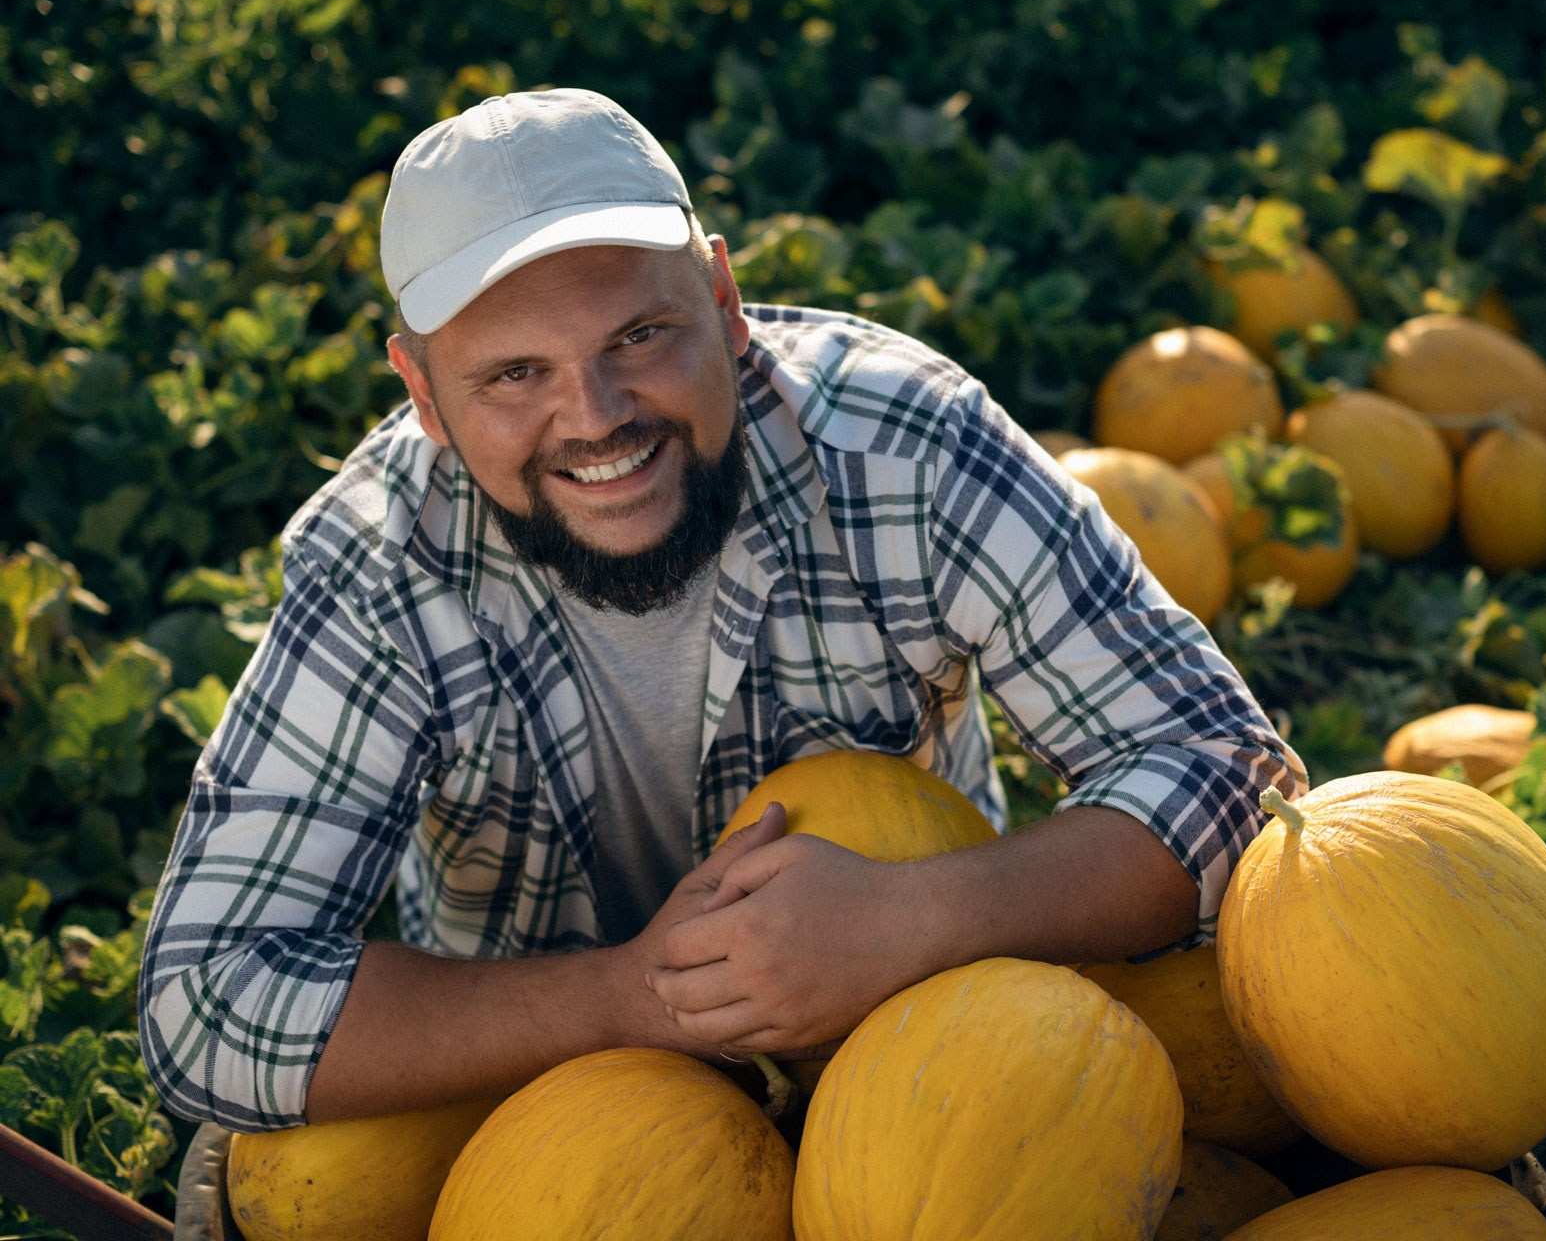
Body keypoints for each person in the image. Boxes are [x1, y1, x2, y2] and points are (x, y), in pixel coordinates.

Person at [136, 87, 1306, 1132]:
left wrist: (920, 916)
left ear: (725, 299)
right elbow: (207, 998)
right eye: (514, 375)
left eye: (639, 335)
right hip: (548, 1098)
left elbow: (1221, 761)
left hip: (940, 1029)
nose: (594, 417)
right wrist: (641, 993)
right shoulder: (380, 569)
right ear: (425, 395)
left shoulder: (903, 447)